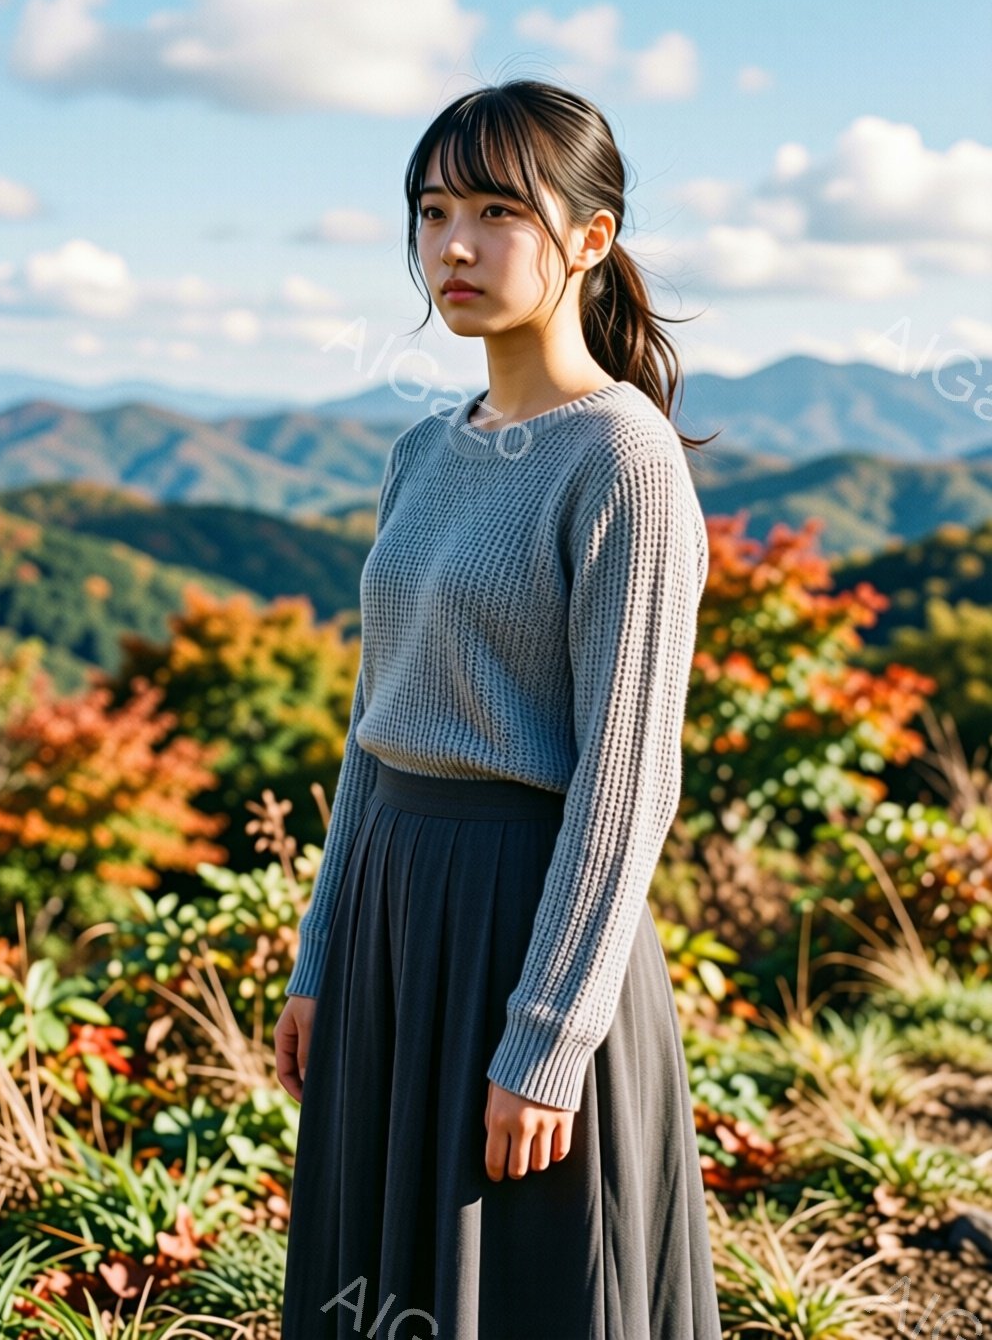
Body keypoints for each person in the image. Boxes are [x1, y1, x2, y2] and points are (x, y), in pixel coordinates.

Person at [275, 79, 724, 1340]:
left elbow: (626, 783)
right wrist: (321, 954)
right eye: (431, 212)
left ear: (588, 237)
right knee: (380, 1274)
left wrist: (546, 1041)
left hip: (522, 922)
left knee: (522, 1288)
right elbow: (372, 730)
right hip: (388, 914)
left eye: (494, 211)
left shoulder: (621, 459)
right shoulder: (421, 451)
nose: (453, 247)